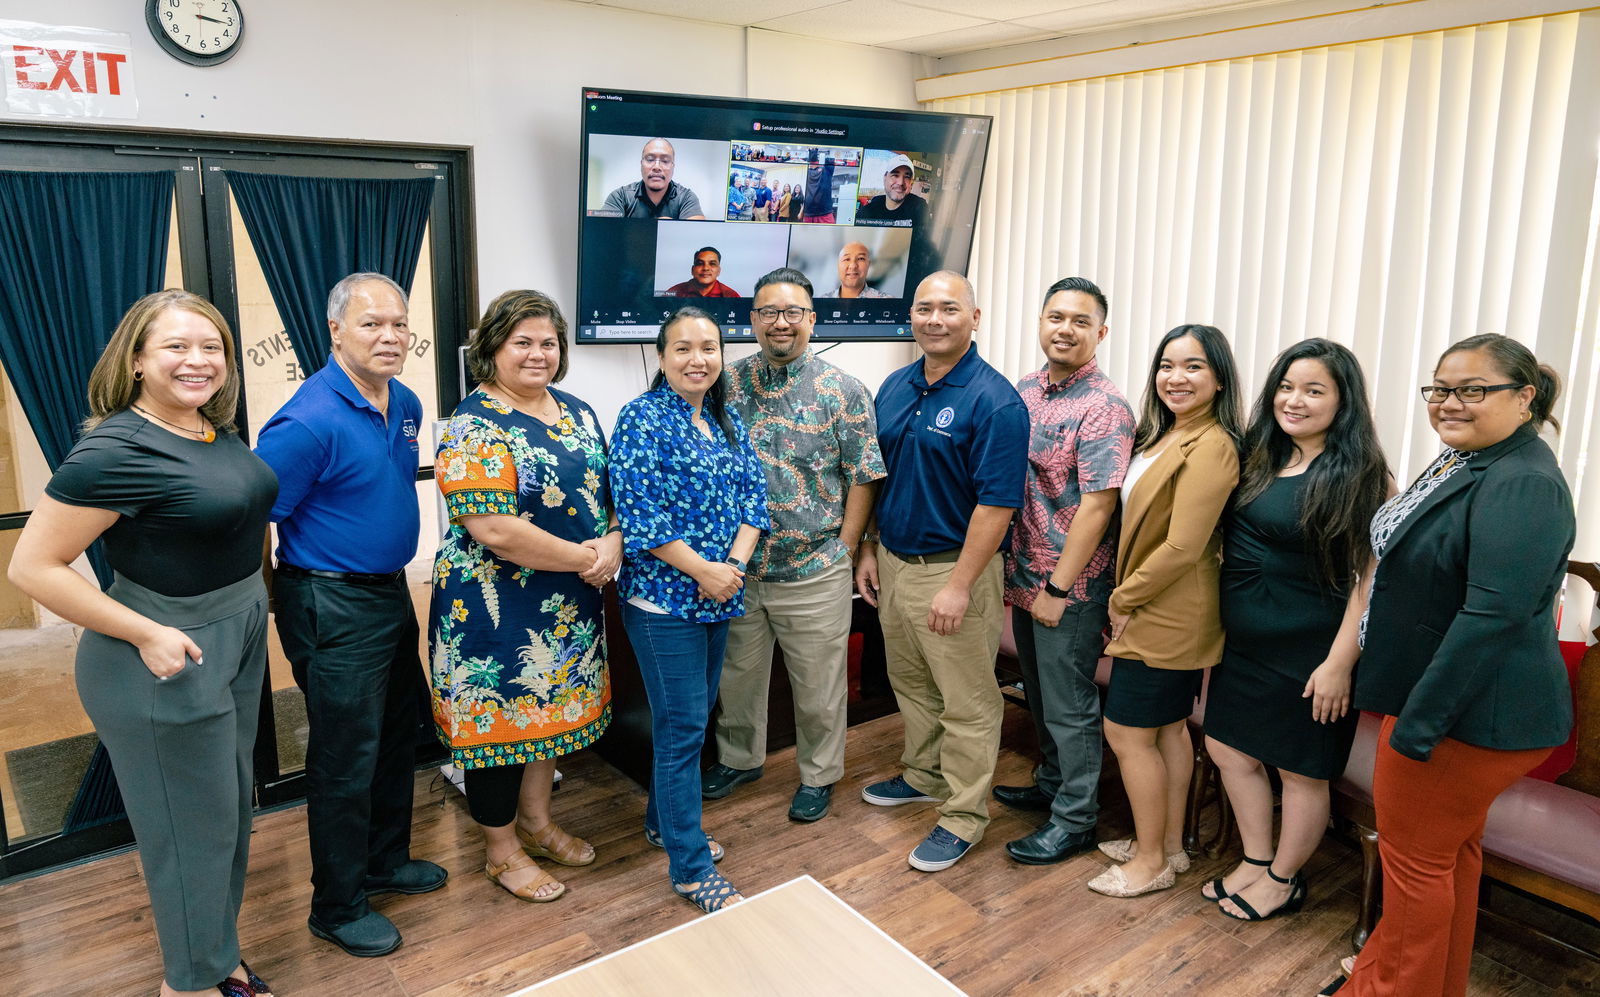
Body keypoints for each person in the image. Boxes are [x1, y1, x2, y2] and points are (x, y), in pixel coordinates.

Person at [9, 290, 278, 997]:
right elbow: (31, 566)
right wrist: (144, 631)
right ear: (135, 360)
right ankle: (189, 984)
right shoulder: (115, 448)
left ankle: (218, 957)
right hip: (163, 651)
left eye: (211, 346)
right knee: (189, 835)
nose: (199, 360)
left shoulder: (207, 429)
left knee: (225, 818)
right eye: (176, 347)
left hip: (235, 631)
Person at [1325, 334, 1574, 997]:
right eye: (1440, 388)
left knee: (1414, 874)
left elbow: (1492, 617)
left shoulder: (1522, 481)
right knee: (1445, 859)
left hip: (1465, 716)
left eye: (1473, 389)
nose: (1450, 402)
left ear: (1524, 397)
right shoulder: (1472, 459)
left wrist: (1417, 726)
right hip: (1450, 706)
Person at [255, 272, 446, 958]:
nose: (390, 336)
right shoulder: (307, 421)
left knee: (397, 733)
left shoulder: (405, 402)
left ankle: (384, 862)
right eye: (372, 324)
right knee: (343, 758)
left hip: (388, 591)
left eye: (399, 323)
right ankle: (335, 904)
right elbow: (255, 522)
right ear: (336, 331)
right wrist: (283, 607)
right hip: (328, 599)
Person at [430, 290, 618, 904]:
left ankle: (537, 824)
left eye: (548, 342)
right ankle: (500, 849)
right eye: (522, 342)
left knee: (549, 719)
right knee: (499, 732)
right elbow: (494, 529)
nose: (538, 354)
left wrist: (613, 539)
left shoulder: (578, 412)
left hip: (570, 604)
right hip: (494, 607)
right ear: (492, 350)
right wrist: (590, 558)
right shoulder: (472, 425)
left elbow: (609, 496)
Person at [1202, 339, 1390, 921]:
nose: (1295, 400)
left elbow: (1369, 583)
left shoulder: (1362, 474)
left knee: (1301, 770)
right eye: (1286, 386)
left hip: (1312, 652)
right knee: (1227, 747)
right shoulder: (1259, 454)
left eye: (1314, 390)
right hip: (1245, 645)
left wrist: (1338, 665)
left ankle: (1285, 880)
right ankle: (1257, 860)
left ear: (1343, 401)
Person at [855, 271, 1029, 872]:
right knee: (913, 686)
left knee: (968, 702)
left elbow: (998, 504)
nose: (935, 319)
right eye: (924, 308)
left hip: (956, 572)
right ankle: (924, 775)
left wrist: (959, 586)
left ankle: (962, 816)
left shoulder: (995, 400)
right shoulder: (896, 386)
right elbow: (883, 476)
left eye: (949, 308)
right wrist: (870, 547)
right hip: (896, 564)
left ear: (974, 318)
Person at [705, 268, 886, 821]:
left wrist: (847, 548)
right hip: (737, 570)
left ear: (811, 319)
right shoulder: (723, 384)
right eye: (768, 313)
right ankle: (740, 759)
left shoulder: (844, 390)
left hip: (813, 566)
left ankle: (820, 774)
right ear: (752, 320)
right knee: (737, 678)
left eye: (792, 313)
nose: (780, 323)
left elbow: (864, 475)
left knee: (818, 685)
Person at [609, 306, 769, 913]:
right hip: (663, 606)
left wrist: (729, 568)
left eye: (709, 348)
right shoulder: (641, 420)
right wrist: (705, 572)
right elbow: (642, 517)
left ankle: (663, 824)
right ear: (662, 356)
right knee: (683, 733)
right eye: (683, 348)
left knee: (690, 723)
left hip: (719, 597)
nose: (697, 359)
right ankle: (691, 869)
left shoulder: (726, 419)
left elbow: (755, 495)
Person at [1091, 324, 1243, 898]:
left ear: (1220, 377)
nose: (1176, 378)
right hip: (1159, 602)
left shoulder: (1214, 445)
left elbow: (1183, 545)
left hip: (1166, 610)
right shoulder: (1169, 434)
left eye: (1194, 367)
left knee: (1127, 733)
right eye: (1167, 366)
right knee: (1168, 731)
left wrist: (1122, 598)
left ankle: (1149, 860)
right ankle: (1170, 846)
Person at [993, 277, 1134, 865]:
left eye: (1080, 321)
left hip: (1069, 584)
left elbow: (1099, 505)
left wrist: (1056, 588)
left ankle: (1075, 820)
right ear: (1041, 322)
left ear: (1100, 333)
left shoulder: (1105, 408)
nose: (1065, 329)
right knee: (1041, 694)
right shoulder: (1024, 390)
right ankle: (1051, 786)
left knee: (1070, 704)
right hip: (1020, 573)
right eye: (1056, 317)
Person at [599, 137, 705, 219]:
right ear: (641, 164)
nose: (657, 167)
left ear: (673, 167)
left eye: (665, 161)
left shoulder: (686, 198)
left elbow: (697, 233)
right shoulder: (620, 196)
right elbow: (602, 228)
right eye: (650, 159)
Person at [855, 154, 929, 227]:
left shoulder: (919, 207)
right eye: (895, 175)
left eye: (907, 177)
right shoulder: (870, 209)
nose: (900, 182)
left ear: (911, 183)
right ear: (885, 178)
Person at [822, 241, 891, 299]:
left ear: (868, 264)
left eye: (860, 259)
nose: (853, 266)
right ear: (838, 265)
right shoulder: (822, 300)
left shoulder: (887, 300)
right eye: (847, 259)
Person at [665, 247, 741, 298]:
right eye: (700, 263)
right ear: (692, 270)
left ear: (719, 271)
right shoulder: (673, 292)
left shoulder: (731, 295)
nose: (705, 268)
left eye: (712, 264)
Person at [802, 155, 837, 223]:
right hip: (808, 213)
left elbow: (830, 159)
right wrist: (801, 211)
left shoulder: (826, 170)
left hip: (824, 213)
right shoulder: (807, 171)